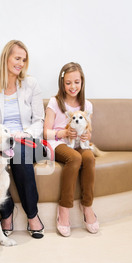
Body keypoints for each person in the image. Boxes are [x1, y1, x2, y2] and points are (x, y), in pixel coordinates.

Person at [0, 40, 45, 239]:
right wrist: (0, 141)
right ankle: (6, 213)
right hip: (0, 143)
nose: (21, 63)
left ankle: (32, 214)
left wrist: (23, 134)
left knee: (20, 154)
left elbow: (39, 121)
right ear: (6, 58)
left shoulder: (31, 85)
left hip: (28, 141)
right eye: (17, 58)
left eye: (24, 60)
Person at [43, 62, 99, 236]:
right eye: (68, 83)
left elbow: (88, 129)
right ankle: (64, 208)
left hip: (78, 144)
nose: (73, 87)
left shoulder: (87, 105)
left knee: (88, 157)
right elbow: (45, 133)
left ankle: (87, 206)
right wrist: (65, 133)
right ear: (62, 83)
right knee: (75, 158)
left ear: (82, 82)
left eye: (76, 82)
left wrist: (87, 136)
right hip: (58, 143)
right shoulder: (55, 102)